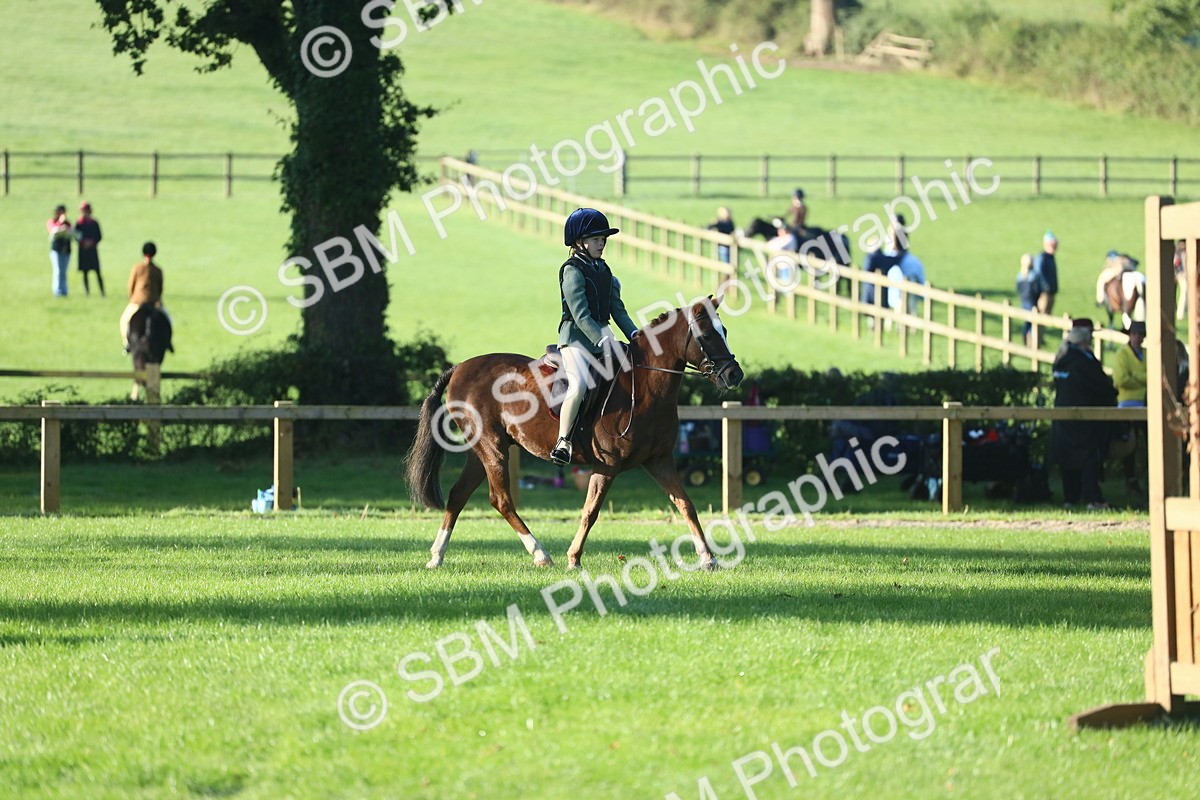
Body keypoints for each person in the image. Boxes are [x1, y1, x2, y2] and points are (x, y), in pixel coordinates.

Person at [551, 208, 639, 466]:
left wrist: (635, 334)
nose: (601, 243)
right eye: (596, 239)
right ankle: (563, 442)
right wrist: (602, 338)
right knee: (578, 385)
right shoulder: (572, 271)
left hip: (603, 339)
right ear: (579, 242)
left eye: (603, 239)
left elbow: (617, 309)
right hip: (576, 339)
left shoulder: (604, 269)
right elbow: (580, 314)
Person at [1051, 319, 1117, 509]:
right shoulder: (1084, 362)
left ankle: (1070, 498)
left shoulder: (1061, 360)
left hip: (1062, 417)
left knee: (1068, 457)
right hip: (1085, 417)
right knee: (1089, 456)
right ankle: (1092, 497)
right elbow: (1101, 387)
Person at [1112, 320, 1147, 497]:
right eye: (1135, 334)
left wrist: (1136, 377)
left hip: (1146, 405)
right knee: (1128, 445)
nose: (1137, 337)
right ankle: (1130, 479)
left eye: (1141, 334)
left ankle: (1147, 479)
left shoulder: (1147, 354)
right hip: (1126, 405)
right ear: (1130, 335)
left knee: (1148, 443)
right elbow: (1121, 379)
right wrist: (1145, 379)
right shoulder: (1122, 354)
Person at [120, 242, 164, 350]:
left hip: (137, 302)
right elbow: (160, 288)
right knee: (168, 320)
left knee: (124, 321)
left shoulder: (137, 268)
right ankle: (168, 342)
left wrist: (132, 298)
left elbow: (130, 286)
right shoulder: (158, 270)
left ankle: (127, 344)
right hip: (154, 302)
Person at [74, 201, 105, 297]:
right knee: (85, 273)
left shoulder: (94, 223)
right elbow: (76, 236)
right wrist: (83, 243)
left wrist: (92, 242)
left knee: (97, 271)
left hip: (92, 250)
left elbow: (99, 236)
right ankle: (87, 293)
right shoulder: (78, 223)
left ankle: (102, 292)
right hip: (83, 251)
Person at [46, 204, 73, 297]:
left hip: (66, 251)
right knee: (57, 271)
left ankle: (64, 291)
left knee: (63, 272)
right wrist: (60, 225)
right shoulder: (52, 221)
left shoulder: (68, 223)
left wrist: (65, 227)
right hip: (56, 250)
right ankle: (57, 291)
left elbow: (72, 233)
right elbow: (52, 231)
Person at [1016, 253, 1041, 347]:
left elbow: (1018, 288)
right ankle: (1031, 341)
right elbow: (1036, 289)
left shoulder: (1019, 275)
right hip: (1032, 301)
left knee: (1027, 320)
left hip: (1024, 300)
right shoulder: (1033, 276)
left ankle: (1025, 338)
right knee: (1031, 322)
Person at [1033, 230, 1059, 315]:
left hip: (1051, 293)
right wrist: (1046, 287)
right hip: (1044, 294)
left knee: (1047, 317)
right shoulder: (1042, 258)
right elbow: (1039, 274)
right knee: (1041, 317)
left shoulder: (1050, 258)